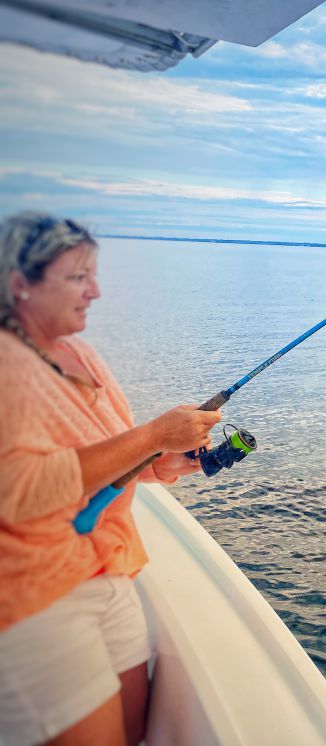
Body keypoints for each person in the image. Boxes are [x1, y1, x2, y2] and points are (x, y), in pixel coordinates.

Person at [0, 212, 222, 745]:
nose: (95, 292)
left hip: (107, 568)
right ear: (19, 285)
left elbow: (108, 456)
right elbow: (18, 490)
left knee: (131, 733)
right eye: (78, 277)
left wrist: (161, 462)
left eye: (93, 275)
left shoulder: (81, 354)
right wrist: (151, 437)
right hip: (32, 595)